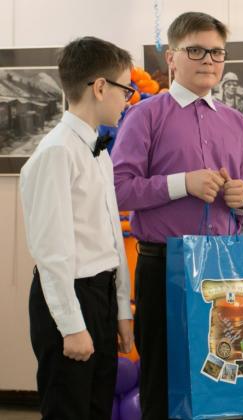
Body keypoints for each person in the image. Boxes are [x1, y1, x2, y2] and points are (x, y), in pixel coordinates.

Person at [111, 12, 243, 420]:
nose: (208, 60)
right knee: (162, 382)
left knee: (221, 382)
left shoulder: (237, 122)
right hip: (165, 267)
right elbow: (118, 188)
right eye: (196, 50)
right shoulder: (144, 115)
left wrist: (242, 200)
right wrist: (183, 183)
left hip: (223, 269)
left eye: (216, 52)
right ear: (172, 57)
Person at [19, 36, 134, 420]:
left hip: (101, 295)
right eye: (125, 89)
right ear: (100, 87)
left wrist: (121, 309)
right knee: (68, 410)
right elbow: (51, 251)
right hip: (70, 297)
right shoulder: (56, 152)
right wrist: (70, 325)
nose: (128, 99)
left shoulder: (97, 150)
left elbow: (111, 236)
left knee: (97, 408)